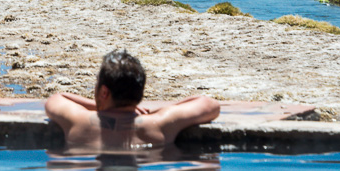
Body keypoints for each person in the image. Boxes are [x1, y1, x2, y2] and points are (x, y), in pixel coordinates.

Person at [45, 49, 220, 151]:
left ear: (104, 92)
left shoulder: (79, 121)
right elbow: (209, 104)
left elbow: (56, 98)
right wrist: (155, 111)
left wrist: (97, 106)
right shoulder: (159, 124)